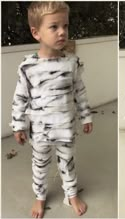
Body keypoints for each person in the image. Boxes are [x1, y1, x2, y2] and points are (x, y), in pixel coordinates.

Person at [10, 2, 93, 218]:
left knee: (68, 161)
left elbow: (79, 92)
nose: (62, 32)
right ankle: (40, 196)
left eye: (65, 25)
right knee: (40, 165)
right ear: (36, 32)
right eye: (54, 27)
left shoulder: (72, 63)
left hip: (66, 127)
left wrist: (86, 116)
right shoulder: (28, 67)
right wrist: (18, 125)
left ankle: (71, 194)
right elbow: (20, 97)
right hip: (39, 132)